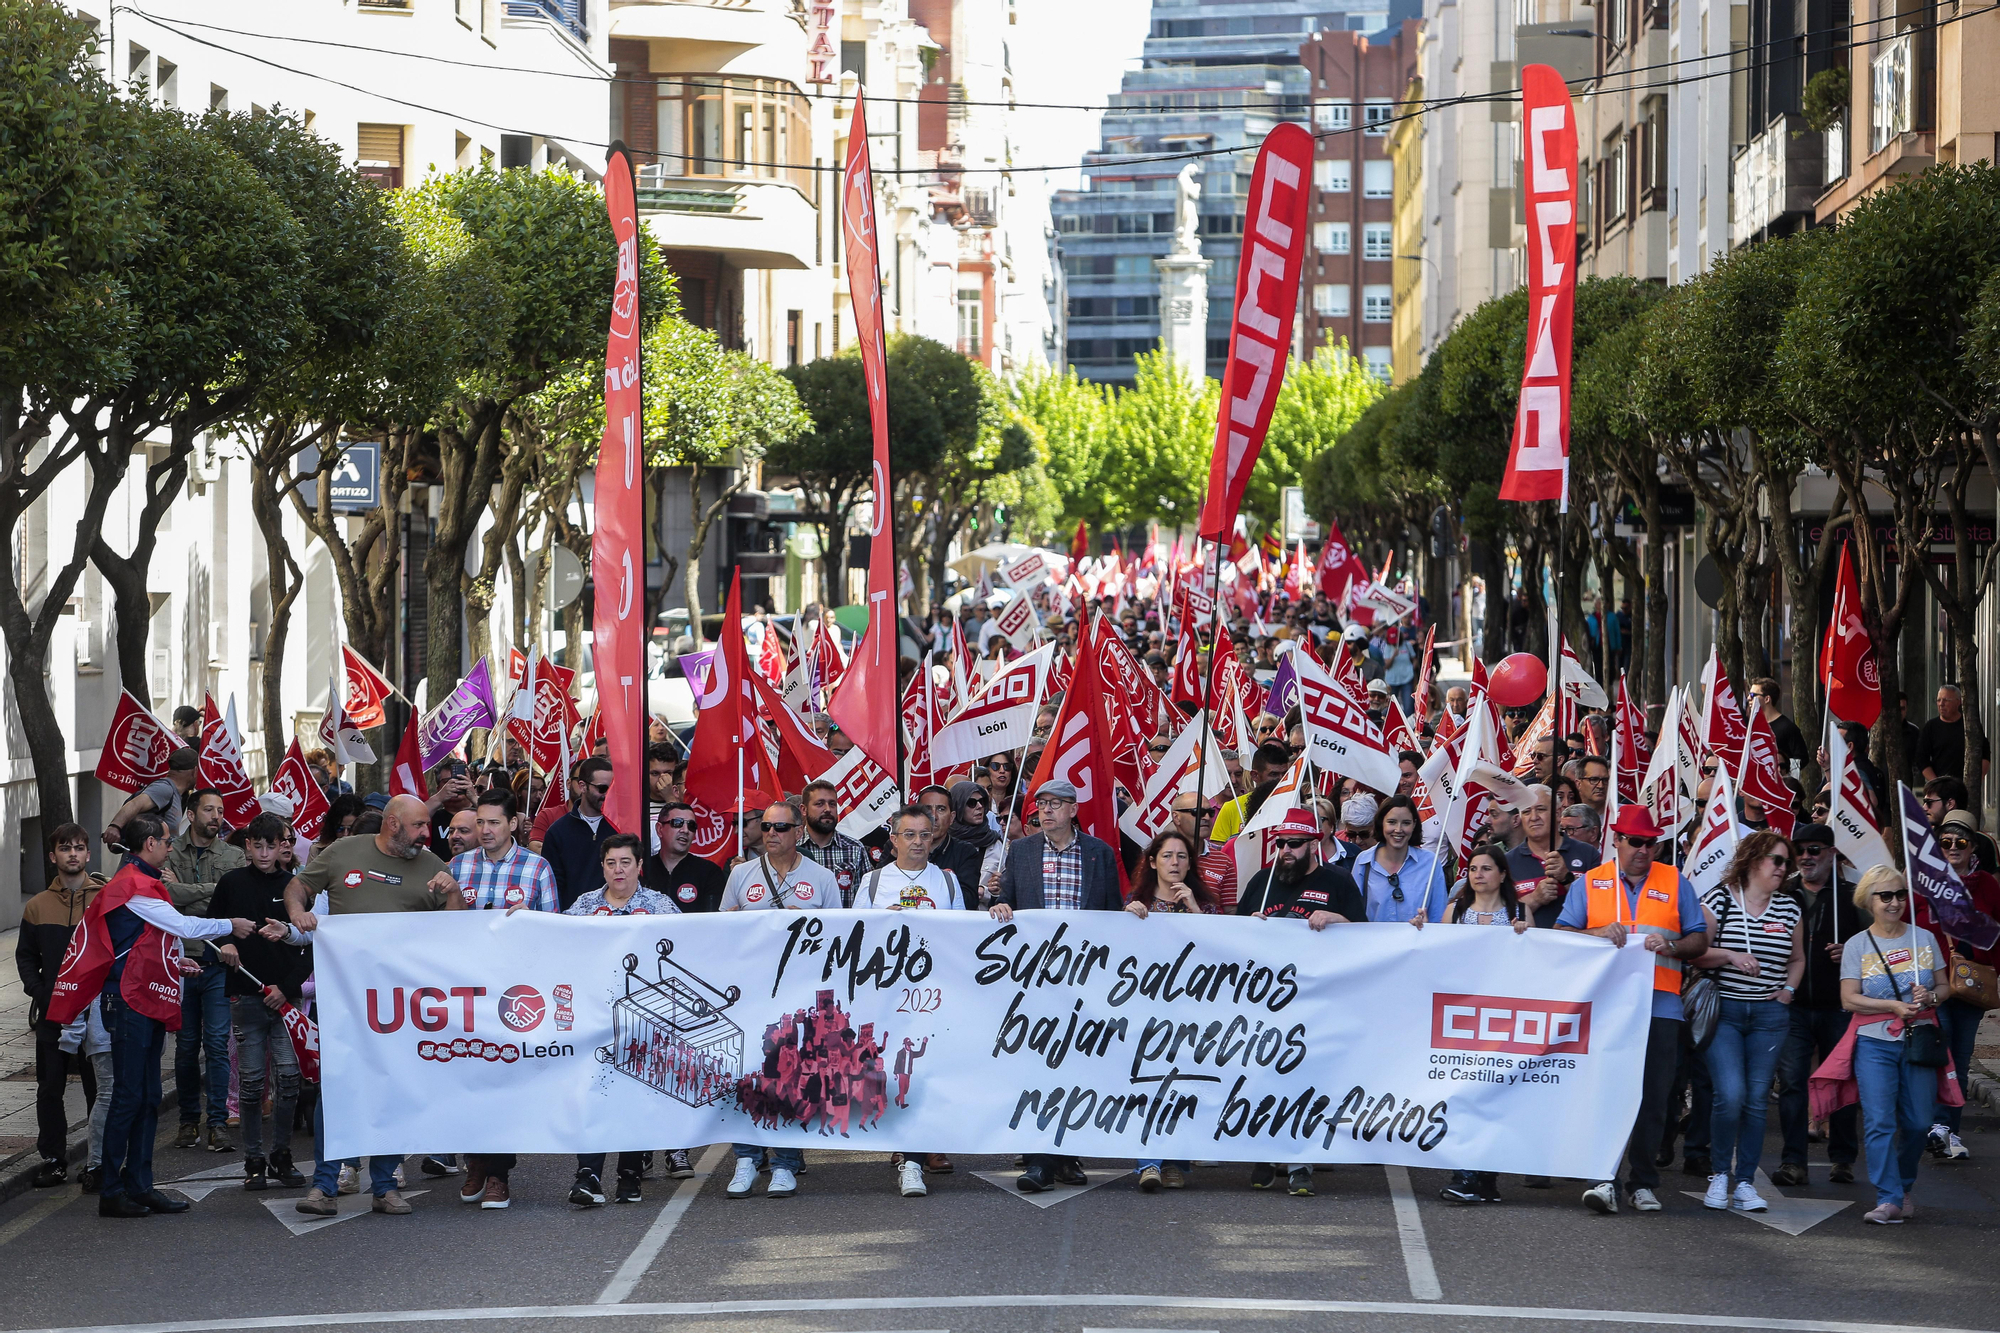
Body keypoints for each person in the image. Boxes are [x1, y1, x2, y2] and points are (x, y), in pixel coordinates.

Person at [44, 814, 254, 1217]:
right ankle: (112, 1190)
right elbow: (182, 924)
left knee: (148, 1096)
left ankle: (140, 1185)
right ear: (150, 845)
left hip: (142, 998)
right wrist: (231, 924)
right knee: (127, 1096)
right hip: (127, 1002)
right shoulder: (132, 885)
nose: (171, 846)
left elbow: (149, 940)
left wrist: (176, 964)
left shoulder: (141, 882)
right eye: (166, 840)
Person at [283, 794, 465, 1216]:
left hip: (404, 1003)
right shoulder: (344, 852)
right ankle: (323, 1186)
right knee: (338, 1088)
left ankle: (385, 1185)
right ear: (393, 824)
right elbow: (297, 885)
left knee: (394, 1088)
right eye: (420, 826)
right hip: (346, 998)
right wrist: (298, 911)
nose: (427, 833)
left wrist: (453, 892)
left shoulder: (434, 867)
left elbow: (459, 932)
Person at [1557, 805, 1709, 1214]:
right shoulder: (1590, 882)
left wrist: (1672, 946)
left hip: (1661, 1006)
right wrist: (1596, 933)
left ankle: (1643, 1182)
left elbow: (1699, 939)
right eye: (1635, 842)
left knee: (1654, 1097)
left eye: (1650, 843)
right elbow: (1561, 937)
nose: (1644, 850)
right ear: (1617, 842)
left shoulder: (1675, 881)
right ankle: (1603, 1179)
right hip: (1607, 1007)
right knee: (1605, 1093)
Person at [990, 779, 1122, 1193]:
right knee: (1039, 1063)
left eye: (1055, 804)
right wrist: (998, 903)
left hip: (1084, 976)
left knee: (1077, 1063)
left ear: (1073, 809)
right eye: (1041, 804)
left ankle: (1064, 1156)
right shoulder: (1023, 850)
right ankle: (1042, 1159)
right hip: (1036, 977)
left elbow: (1112, 913)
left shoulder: (1099, 853)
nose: (1046, 811)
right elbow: (1006, 900)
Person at [1235, 808, 1364, 1197]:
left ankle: (1300, 1162)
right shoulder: (1262, 880)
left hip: (1316, 1001)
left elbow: (1368, 936)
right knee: (1262, 1076)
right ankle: (1263, 1152)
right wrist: (1251, 925)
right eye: (1280, 844)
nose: (1285, 852)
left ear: (1313, 845)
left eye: (1293, 844)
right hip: (1266, 1001)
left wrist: (1336, 919)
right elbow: (1233, 936)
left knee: (1304, 1079)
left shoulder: (1337, 881)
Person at [442, 787, 560, 1208]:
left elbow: (552, 932)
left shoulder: (537, 868)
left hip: (513, 995)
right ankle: (476, 1159)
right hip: (466, 991)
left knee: (502, 1080)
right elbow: (440, 931)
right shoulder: (458, 866)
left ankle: (497, 1173)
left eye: (494, 822)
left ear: (514, 824)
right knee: (466, 1076)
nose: (485, 830)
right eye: (481, 822)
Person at [722, 801, 840, 1200]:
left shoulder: (822, 878)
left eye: (780, 827)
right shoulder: (740, 874)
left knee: (790, 1074)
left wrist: (807, 926)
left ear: (798, 832)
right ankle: (746, 1159)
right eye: (766, 827)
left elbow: (836, 941)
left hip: (797, 994)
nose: (771, 833)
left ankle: (786, 1163)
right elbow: (721, 930)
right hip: (750, 991)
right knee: (747, 1071)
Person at [1412, 843, 1529, 1203]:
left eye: (1486, 868)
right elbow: (1438, 959)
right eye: (1473, 869)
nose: (1477, 875)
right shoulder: (1455, 910)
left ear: (1503, 874)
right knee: (1463, 1094)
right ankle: (1465, 1173)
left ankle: (1484, 1178)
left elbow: (1535, 966)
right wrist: (1421, 931)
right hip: (1462, 1018)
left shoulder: (1518, 912)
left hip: (1500, 1017)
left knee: (1491, 1095)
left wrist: (1527, 937)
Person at [855, 806, 963, 1197]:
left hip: (931, 998)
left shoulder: (948, 884)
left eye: (925, 834)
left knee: (924, 1074)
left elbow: (961, 943)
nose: (918, 842)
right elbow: (854, 938)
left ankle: (915, 1155)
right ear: (894, 839)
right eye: (910, 834)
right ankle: (907, 1153)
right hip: (886, 997)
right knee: (895, 1075)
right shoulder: (872, 883)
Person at [1693, 831, 1803, 1214]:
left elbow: (1798, 959)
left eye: (1786, 862)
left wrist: (1788, 990)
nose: (1783, 868)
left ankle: (1745, 1182)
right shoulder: (1720, 899)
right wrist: (1730, 955)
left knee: (1757, 1101)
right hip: (1725, 1011)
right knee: (1731, 1094)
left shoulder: (1789, 908)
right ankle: (1720, 1173)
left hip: (1770, 1016)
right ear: (1754, 859)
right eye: (1777, 860)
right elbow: (1698, 953)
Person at [568, 835, 680, 1206]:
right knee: (595, 1095)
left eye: (625, 862)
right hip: (596, 1015)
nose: (618, 870)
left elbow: (688, 944)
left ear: (638, 866)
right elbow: (553, 936)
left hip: (644, 1017)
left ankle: (630, 1175)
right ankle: (588, 1175)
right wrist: (523, 917)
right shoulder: (585, 905)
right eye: (611, 863)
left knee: (636, 1093)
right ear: (603, 866)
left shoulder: (659, 905)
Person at [1836, 866, 1947, 1223]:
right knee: (1879, 1122)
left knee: (1918, 1122)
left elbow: (1946, 989)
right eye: (1886, 895)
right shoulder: (1857, 945)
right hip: (1873, 1043)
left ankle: (1903, 1184)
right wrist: (1892, 1006)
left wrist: (1930, 995)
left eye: (1900, 894)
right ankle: (1888, 1198)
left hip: (1919, 1041)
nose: (1895, 902)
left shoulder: (1924, 939)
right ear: (1869, 900)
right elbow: (1849, 999)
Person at [208, 813, 311, 1192]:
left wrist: (287, 987)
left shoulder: (295, 887)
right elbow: (211, 928)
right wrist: (226, 943)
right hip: (247, 996)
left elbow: (311, 947)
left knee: (287, 1079)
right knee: (252, 1083)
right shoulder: (231, 883)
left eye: (272, 845)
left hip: (285, 1000)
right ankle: (254, 1159)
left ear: (284, 846)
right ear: (247, 846)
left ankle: (281, 1155)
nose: (265, 852)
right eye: (258, 845)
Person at [1122, 829, 1216, 1193]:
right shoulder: (1136, 900)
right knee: (1149, 1084)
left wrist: (1193, 909)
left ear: (1190, 864)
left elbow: (1222, 949)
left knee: (1185, 1084)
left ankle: (1177, 1162)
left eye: (1181, 857)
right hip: (1148, 1010)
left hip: (1192, 1011)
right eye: (1167, 856)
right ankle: (1148, 1161)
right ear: (1152, 862)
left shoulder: (1204, 904)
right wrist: (1127, 918)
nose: (1174, 863)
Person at [17, 825, 105, 1189]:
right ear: (53, 857)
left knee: (96, 1088)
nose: (73, 854)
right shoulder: (37, 905)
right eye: (65, 848)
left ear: (88, 855)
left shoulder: (103, 899)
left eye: (79, 848)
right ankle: (54, 1159)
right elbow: (25, 955)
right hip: (53, 1012)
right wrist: (40, 992)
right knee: (50, 1087)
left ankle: (98, 1162)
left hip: (95, 1011)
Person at [1771, 824, 1859, 1186]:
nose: (1806, 857)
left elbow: (1875, 945)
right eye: (1801, 850)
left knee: (1840, 1081)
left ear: (1832, 854)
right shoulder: (1782, 894)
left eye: (1815, 850)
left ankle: (1843, 1158)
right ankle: (1794, 1161)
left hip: (1837, 1006)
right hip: (1792, 1006)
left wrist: (1850, 951)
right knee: (1792, 1083)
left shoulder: (1853, 897)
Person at [161, 789, 247, 1153]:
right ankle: (186, 1122)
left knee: (215, 1045)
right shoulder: (168, 849)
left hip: (215, 963)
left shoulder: (234, 854)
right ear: (191, 813)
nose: (216, 816)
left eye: (220, 810)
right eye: (209, 810)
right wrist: (211, 893)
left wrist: (185, 891)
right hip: (178, 963)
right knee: (184, 1048)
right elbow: (165, 900)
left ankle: (216, 1122)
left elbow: (233, 900)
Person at [1920, 809, 2000, 1161]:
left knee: (1962, 1058)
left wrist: (1993, 967)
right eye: (1946, 841)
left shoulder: (1987, 886)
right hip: (1934, 984)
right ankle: (1939, 1125)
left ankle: (1949, 1130)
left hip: (1972, 986)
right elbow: (1908, 927)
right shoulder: (1924, 882)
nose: (1953, 847)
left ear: (1973, 848)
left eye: (1961, 842)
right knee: (1944, 1051)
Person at [1506, 785, 1595, 929]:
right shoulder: (1507, 862)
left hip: (1577, 947)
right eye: (1527, 811)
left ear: (1558, 813)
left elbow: (1600, 906)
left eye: (1541, 809)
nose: (1534, 817)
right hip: (1530, 949)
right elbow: (1500, 918)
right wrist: (1535, 899)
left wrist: (1567, 879)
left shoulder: (1588, 854)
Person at [1351, 795, 1444, 924]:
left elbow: (1439, 918)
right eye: (1392, 822)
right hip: (1373, 942)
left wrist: (1426, 926)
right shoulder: (1363, 862)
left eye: (1406, 823)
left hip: (1417, 942)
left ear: (1414, 824)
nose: (1398, 830)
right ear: (1381, 822)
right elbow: (1353, 914)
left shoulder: (1430, 863)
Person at [543, 756, 619, 908]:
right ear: (582, 786)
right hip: (573, 919)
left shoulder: (622, 827)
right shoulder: (558, 832)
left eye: (612, 789)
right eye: (602, 788)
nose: (607, 795)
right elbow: (553, 885)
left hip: (616, 918)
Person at [103, 746, 199, 847]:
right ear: (195, 771)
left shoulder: (178, 795)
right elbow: (135, 804)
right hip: (142, 861)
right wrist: (114, 827)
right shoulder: (164, 788)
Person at [798, 778, 871, 906]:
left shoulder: (854, 848)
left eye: (832, 804)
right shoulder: (793, 847)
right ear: (804, 810)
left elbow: (866, 899)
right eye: (819, 804)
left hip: (844, 925)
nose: (827, 809)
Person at [645, 800, 726, 912]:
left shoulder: (709, 872)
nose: (685, 830)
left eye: (691, 826)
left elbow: (712, 920)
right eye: (678, 823)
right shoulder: (642, 870)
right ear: (659, 829)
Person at [1210, 742, 1291, 844]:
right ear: (1255, 776)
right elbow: (1219, 854)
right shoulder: (1231, 808)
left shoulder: (1294, 805)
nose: (1281, 780)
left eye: (1285, 774)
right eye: (1273, 774)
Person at [916, 785, 981, 909]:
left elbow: (968, 900)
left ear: (952, 818)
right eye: (927, 809)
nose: (934, 816)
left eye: (940, 809)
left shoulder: (965, 852)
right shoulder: (898, 848)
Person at [1918, 776, 1999, 873]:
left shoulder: (1984, 842)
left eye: (1929, 802)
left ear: (1950, 803)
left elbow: (1993, 885)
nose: (1924, 808)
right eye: (1945, 843)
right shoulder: (1926, 836)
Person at [1915, 683, 1986, 784]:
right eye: (1939, 700)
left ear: (1958, 702)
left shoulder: (1970, 726)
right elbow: (1921, 759)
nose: (1941, 704)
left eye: (1946, 700)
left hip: (1966, 786)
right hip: (1940, 786)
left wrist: (1976, 779)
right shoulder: (1931, 727)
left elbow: (1985, 754)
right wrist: (1936, 782)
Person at [949, 779, 1005, 906]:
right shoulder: (944, 842)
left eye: (982, 801)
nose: (979, 806)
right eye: (971, 803)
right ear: (958, 806)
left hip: (984, 918)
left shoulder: (994, 843)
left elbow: (1007, 891)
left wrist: (993, 891)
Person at [1748, 677, 1808, 770]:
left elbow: (1802, 759)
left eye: (1753, 695)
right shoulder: (1751, 727)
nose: (1749, 698)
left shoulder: (1788, 728)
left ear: (1767, 699)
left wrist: (1781, 768)